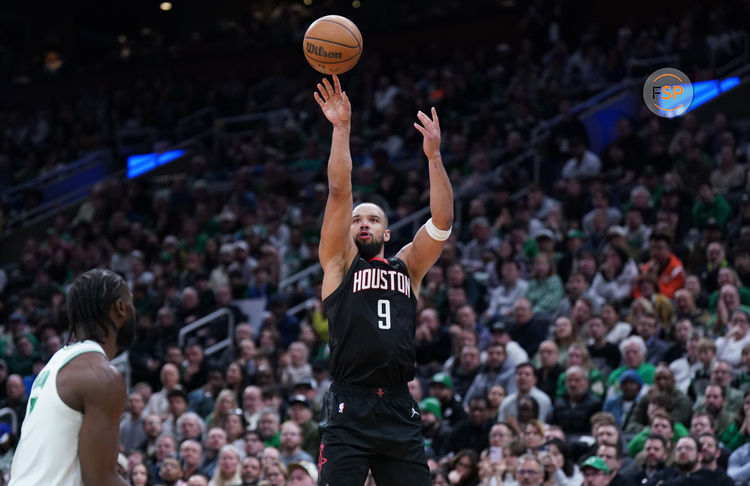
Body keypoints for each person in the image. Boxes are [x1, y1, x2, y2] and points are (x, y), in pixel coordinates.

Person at [314, 74, 453, 486]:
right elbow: (340, 191)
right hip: (348, 406)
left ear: (386, 233)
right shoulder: (339, 263)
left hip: (396, 405)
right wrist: (342, 130)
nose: (362, 222)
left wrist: (433, 158)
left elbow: (443, 222)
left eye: (373, 219)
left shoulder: (407, 266)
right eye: (358, 218)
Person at [9, 269, 136, 486]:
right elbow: (100, 481)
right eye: (131, 302)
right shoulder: (102, 376)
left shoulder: (57, 363)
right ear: (121, 308)